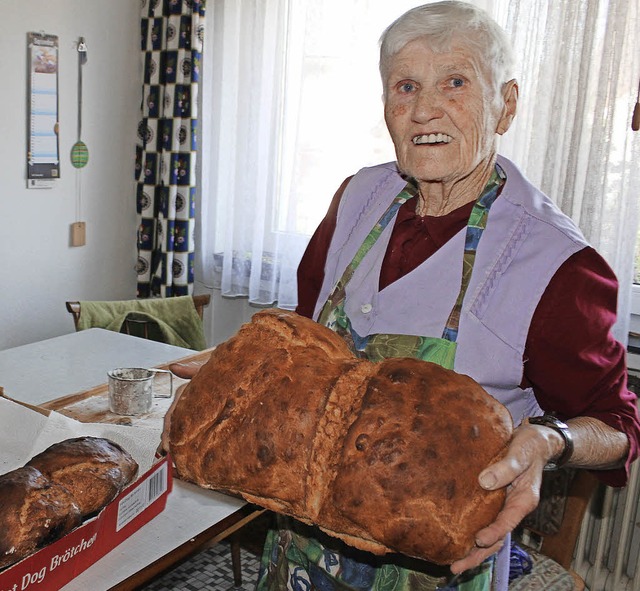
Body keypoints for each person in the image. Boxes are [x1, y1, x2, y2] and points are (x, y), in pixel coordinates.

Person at [165, 2, 639, 590]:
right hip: (300, 538)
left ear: (506, 105)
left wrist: (550, 439)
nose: (423, 110)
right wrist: (245, 368)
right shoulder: (356, 198)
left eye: (456, 83)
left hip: (437, 560)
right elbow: (306, 330)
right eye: (405, 86)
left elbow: (618, 424)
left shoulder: (558, 264)